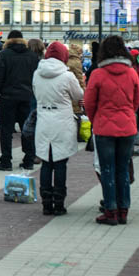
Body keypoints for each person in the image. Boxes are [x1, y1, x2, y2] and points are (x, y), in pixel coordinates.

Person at [84, 35, 139, 226]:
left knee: (107, 170)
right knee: (123, 169)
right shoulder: (132, 73)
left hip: (104, 128)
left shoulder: (98, 74)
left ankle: (111, 211)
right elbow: (136, 100)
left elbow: (89, 103)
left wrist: (96, 120)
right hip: (127, 127)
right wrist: (128, 115)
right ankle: (124, 211)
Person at [33, 42, 84, 216]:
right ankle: (59, 203)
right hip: (62, 120)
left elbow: (35, 93)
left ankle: (46, 203)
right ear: (63, 56)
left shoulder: (37, 74)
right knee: (60, 162)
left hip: (43, 119)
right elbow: (79, 96)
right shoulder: (67, 76)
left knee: (46, 163)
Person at [0, 30, 39, 171]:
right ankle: (29, 160)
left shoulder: (4, 55)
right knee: (26, 129)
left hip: (7, 97)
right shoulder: (32, 56)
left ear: (9, 40)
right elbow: (36, 77)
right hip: (27, 97)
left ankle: (6, 161)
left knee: (6, 131)